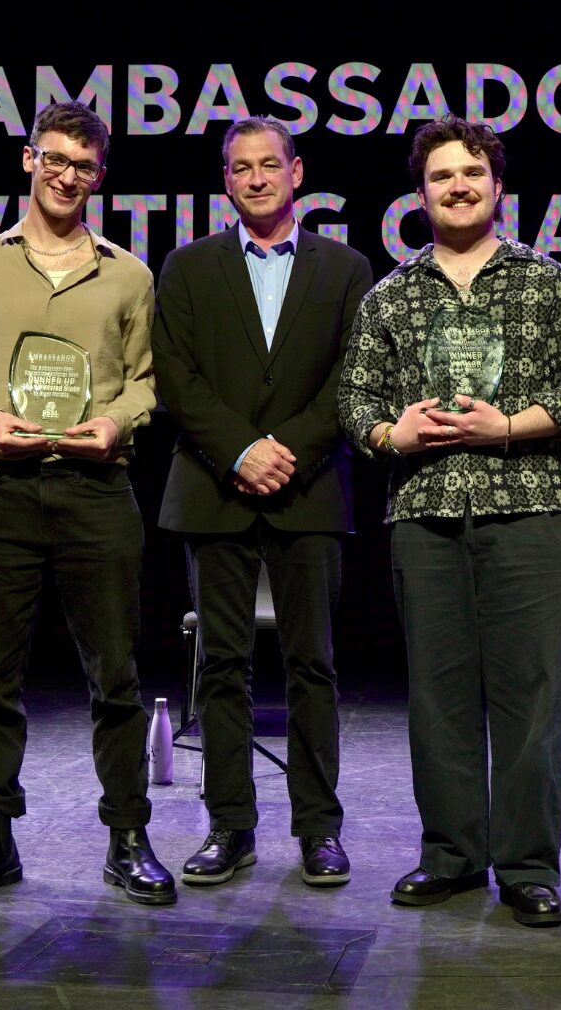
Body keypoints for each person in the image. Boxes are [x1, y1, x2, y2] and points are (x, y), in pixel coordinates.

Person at [339, 115, 561, 927]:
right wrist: (391, 435)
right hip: (425, 514)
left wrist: (509, 427)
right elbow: (353, 400)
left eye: (471, 173)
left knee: (534, 697)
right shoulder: (391, 295)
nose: (457, 187)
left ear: (498, 184)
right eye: (440, 176)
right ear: (419, 194)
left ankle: (527, 866)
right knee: (440, 697)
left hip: (532, 510)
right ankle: (451, 855)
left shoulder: (549, 283)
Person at [0, 101, 174, 908]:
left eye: (84, 166)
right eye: (56, 159)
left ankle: (128, 836)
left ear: (101, 177)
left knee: (117, 677)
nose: (68, 176)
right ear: (29, 159)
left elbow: (145, 383)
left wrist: (116, 423)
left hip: (95, 490)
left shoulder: (129, 275)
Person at [153, 116, 373, 888]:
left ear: (295, 172)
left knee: (313, 663)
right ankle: (230, 826)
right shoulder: (187, 266)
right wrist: (241, 450)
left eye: (269, 165)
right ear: (226, 181)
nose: (255, 178)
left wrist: (287, 451)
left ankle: (318, 829)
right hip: (214, 488)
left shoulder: (345, 268)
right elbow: (175, 375)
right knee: (221, 664)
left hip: (308, 492)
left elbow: (352, 376)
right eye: (241, 168)